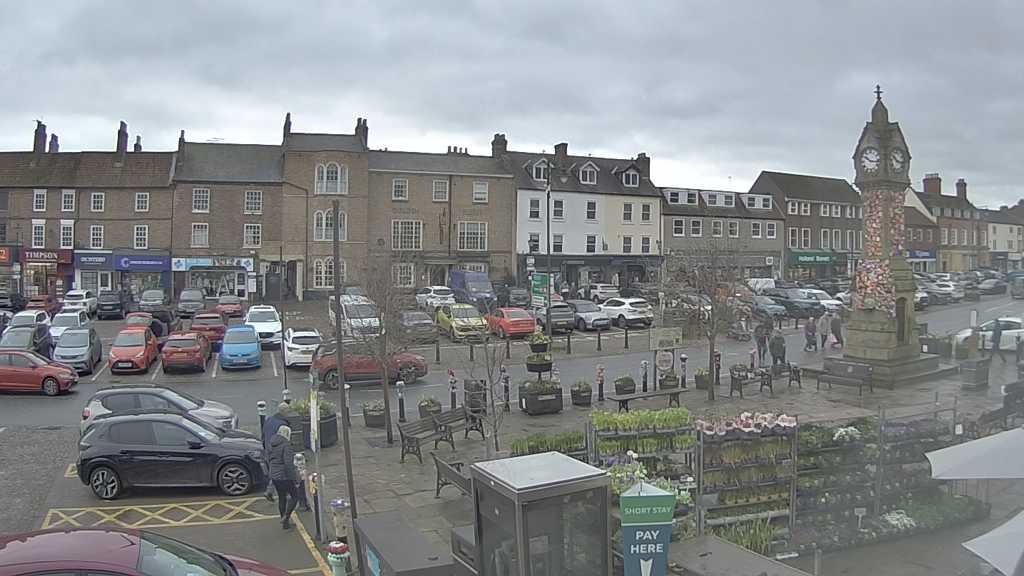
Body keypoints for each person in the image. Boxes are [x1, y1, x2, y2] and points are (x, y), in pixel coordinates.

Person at [268, 425, 300, 529]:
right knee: (295, 496)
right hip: (284, 476)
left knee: (282, 497)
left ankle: (285, 523)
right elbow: (288, 464)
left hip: (274, 475)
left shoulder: (272, 442)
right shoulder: (286, 445)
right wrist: (294, 478)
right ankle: (286, 517)